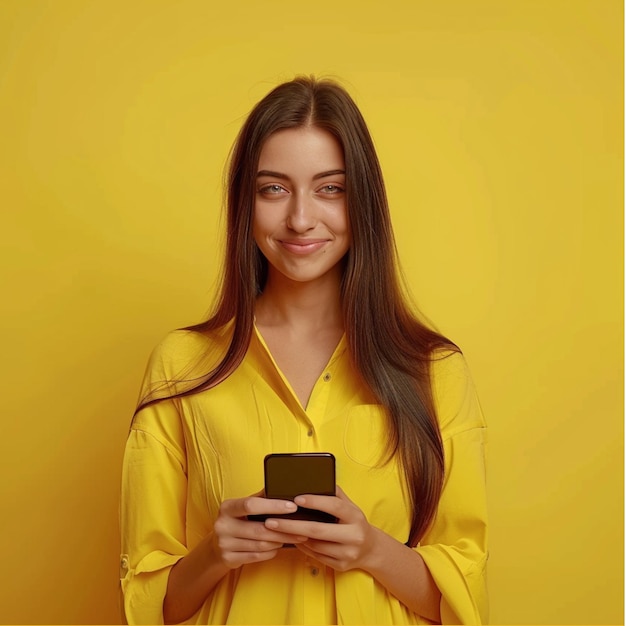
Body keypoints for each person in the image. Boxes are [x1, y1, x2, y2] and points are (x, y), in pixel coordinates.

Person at [119, 76, 488, 625]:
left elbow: (466, 596)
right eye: (274, 189)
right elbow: (149, 607)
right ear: (245, 202)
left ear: (363, 200)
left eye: (330, 188)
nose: (299, 219)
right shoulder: (182, 365)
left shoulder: (434, 370)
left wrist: (371, 549)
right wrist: (216, 553)